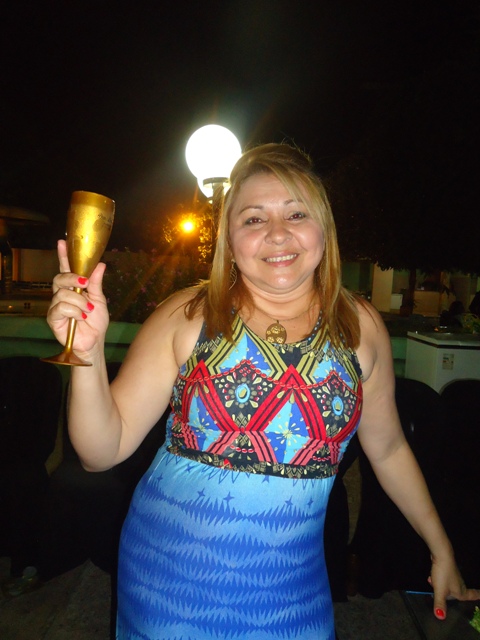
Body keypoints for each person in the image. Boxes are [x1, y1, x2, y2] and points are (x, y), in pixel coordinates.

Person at [46, 143, 479, 640]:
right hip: (169, 583)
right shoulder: (187, 315)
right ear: (230, 240)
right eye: (253, 219)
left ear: (324, 229)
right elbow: (101, 452)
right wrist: (87, 352)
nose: (277, 233)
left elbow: (389, 448)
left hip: (294, 591)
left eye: (296, 213)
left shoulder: (360, 327)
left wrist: (441, 547)